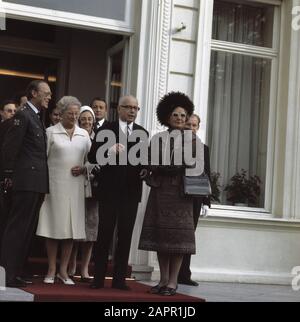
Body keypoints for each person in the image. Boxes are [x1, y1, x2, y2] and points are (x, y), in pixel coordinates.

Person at [139, 91, 199, 296]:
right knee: (161, 239)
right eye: (176, 115)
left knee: (177, 242)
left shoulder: (192, 140)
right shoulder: (157, 138)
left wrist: (176, 166)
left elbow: (195, 166)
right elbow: (148, 162)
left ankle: (173, 282)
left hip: (182, 195)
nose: (180, 118)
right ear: (167, 117)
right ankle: (163, 279)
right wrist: (153, 168)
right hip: (161, 192)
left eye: (183, 115)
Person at [88, 95, 148, 290]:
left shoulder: (142, 133)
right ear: (119, 109)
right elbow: (92, 156)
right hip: (108, 192)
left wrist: (146, 169)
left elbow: (145, 162)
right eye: (128, 107)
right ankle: (97, 279)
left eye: (135, 108)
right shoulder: (106, 130)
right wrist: (109, 151)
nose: (132, 111)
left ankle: (119, 280)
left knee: (125, 236)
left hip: (131, 193)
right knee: (104, 235)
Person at [0, 80, 51, 288]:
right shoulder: (23, 115)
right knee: (17, 229)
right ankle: (7, 274)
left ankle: (17, 271)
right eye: (45, 93)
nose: (49, 97)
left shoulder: (36, 116)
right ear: (33, 93)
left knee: (27, 230)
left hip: (36, 182)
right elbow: (10, 147)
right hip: (25, 181)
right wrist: (9, 175)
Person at [36, 96, 91, 285]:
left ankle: (63, 270)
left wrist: (85, 169)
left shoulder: (84, 134)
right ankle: (51, 269)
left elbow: (91, 160)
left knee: (70, 229)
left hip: (75, 188)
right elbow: (41, 160)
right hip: (54, 186)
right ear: (61, 113)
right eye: (70, 113)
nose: (74, 117)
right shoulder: (50, 132)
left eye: (77, 113)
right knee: (53, 227)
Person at [177, 113, 211, 286]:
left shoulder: (203, 148)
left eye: (194, 125)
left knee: (189, 236)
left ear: (198, 127)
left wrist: (206, 201)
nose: (190, 128)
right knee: (177, 234)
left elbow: (207, 173)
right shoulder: (176, 146)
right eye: (188, 125)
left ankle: (184, 274)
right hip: (178, 195)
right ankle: (172, 274)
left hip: (196, 196)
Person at [68, 105, 99, 282]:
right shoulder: (75, 135)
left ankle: (85, 268)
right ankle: (71, 265)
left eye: (90, 119)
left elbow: (103, 160)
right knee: (75, 229)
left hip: (94, 189)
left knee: (91, 231)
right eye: (83, 118)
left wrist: (87, 168)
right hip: (75, 186)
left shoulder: (100, 138)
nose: (87, 121)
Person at [0, 100, 17, 254]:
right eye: (9, 110)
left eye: (14, 111)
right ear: (2, 113)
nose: (12, 113)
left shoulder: (16, 129)